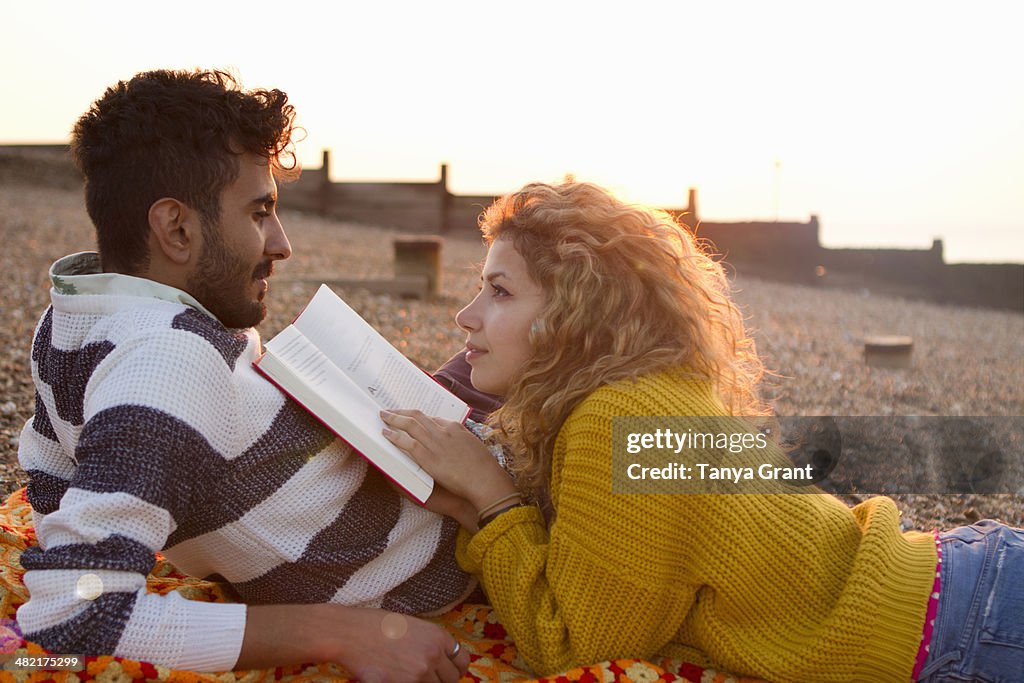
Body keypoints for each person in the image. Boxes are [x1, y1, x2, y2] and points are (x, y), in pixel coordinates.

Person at [381, 181, 1024, 682]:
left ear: (576, 313)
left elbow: (576, 646)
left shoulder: (615, 421)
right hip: (961, 587)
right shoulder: (647, 389)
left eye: (499, 292)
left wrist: (491, 503)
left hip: (959, 631)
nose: (465, 317)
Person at [16, 69, 472, 682]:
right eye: (261, 213)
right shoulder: (170, 362)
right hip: (466, 556)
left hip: (437, 478)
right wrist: (348, 635)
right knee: (629, 435)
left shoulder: (70, 317)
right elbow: (72, 623)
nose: (281, 244)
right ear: (176, 228)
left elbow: (52, 492)